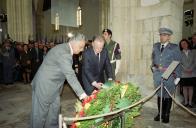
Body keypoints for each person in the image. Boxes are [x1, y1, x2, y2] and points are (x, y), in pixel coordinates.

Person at [30, 33, 88, 128]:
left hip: (54, 88)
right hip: (44, 87)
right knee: (39, 117)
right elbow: (70, 76)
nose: (82, 50)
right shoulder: (64, 53)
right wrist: (83, 95)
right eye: (81, 47)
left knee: (53, 116)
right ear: (74, 43)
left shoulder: (64, 48)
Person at [151, 27, 181, 123]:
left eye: (164, 35)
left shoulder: (174, 47)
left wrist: (178, 76)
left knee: (168, 95)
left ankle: (166, 114)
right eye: (161, 35)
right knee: (159, 95)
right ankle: (160, 113)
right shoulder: (155, 46)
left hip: (169, 75)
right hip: (157, 75)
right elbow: (153, 58)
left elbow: (177, 62)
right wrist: (153, 67)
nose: (162, 37)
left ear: (169, 37)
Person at [179, 39, 196, 108]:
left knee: (191, 87)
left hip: (192, 72)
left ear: (188, 43)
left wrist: (191, 69)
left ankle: (190, 102)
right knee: (185, 87)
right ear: (181, 46)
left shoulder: (194, 51)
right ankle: (186, 102)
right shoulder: (179, 53)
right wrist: (185, 69)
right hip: (183, 73)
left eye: (184, 43)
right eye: (182, 44)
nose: (183, 45)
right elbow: (179, 63)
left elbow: (195, 61)